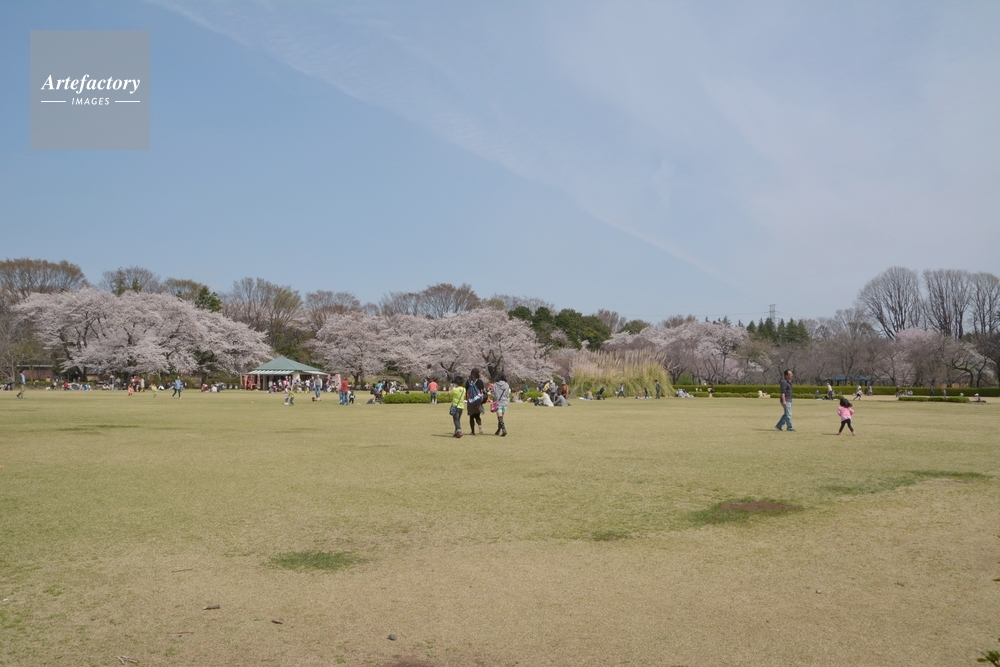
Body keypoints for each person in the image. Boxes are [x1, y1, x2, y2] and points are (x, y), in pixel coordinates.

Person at [466, 369, 487, 435]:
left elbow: (467, 391)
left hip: (471, 401)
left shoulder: (468, 382)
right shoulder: (480, 381)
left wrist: (467, 399)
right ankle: (480, 425)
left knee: (471, 417)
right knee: (477, 416)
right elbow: (483, 391)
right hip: (478, 401)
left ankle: (472, 432)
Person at [492, 372, 510, 436]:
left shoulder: (495, 384)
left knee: (499, 417)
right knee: (501, 417)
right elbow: (507, 394)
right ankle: (498, 430)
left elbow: (494, 393)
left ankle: (503, 429)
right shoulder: (507, 385)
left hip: (498, 402)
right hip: (504, 402)